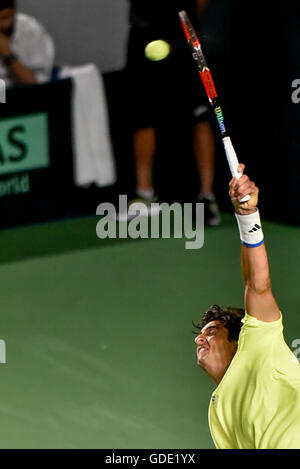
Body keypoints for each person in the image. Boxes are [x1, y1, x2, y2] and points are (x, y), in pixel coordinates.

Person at [194, 163, 300, 449]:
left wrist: (246, 214)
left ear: (238, 341)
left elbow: (257, 284)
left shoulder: (257, 346)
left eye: (213, 331)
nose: (199, 338)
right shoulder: (217, 412)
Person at [126, 0, 220, 225]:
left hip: (183, 35)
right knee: (142, 117)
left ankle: (207, 199)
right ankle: (145, 194)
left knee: (199, 117)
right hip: (144, 36)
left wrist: (195, 25)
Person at [0, 0, 54, 86]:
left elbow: (37, 85)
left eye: (4, 18)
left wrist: (6, 52)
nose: (0, 25)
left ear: (14, 12)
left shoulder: (31, 30)